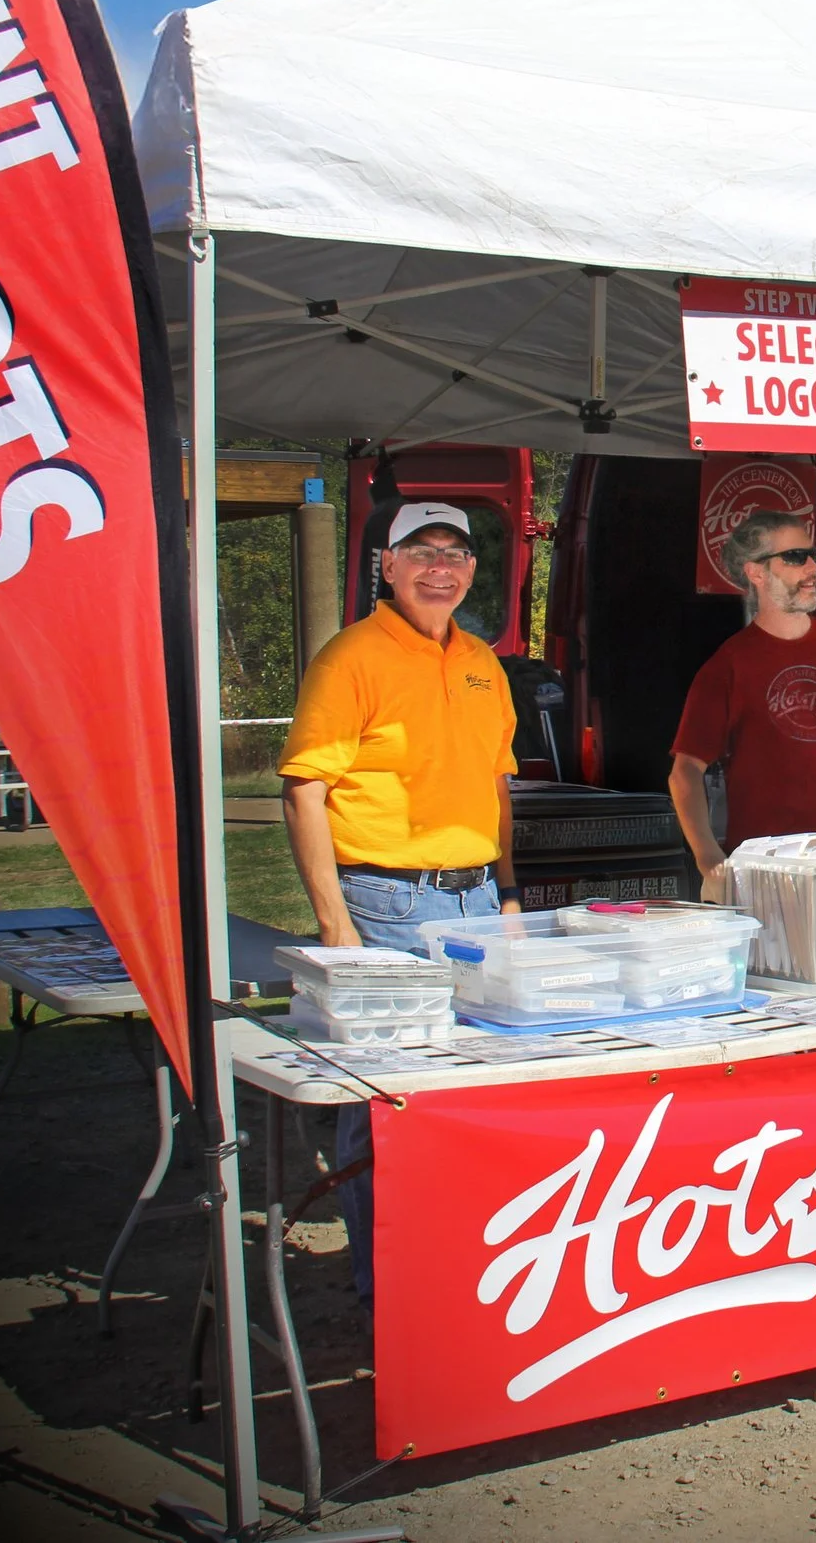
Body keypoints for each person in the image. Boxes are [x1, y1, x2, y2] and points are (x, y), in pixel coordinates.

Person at [277, 500, 519, 1300]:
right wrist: (334, 924)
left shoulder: (485, 661)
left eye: (455, 553)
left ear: (474, 572)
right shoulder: (349, 659)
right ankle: (387, 1286)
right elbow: (305, 791)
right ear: (387, 565)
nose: (439, 566)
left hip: (477, 901)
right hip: (384, 904)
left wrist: (509, 892)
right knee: (385, 1095)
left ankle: (460, 1268)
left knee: (482, 1083)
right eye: (421, 551)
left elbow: (495, 786)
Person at [671, 509, 816, 897]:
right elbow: (685, 770)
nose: (811, 567)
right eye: (794, 557)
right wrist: (709, 858)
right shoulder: (729, 665)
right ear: (756, 572)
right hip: (766, 873)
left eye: (811, 555)